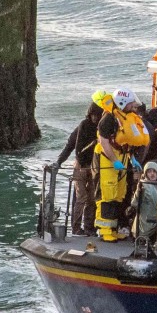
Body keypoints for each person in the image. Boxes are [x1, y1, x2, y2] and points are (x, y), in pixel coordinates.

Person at [92, 88, 151, 242]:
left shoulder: (125, 117)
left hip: (122, 156)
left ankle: (113, 227)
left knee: (119, 193)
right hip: (107, 157)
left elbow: (125, 141)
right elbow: (104, 142)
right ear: (122, 102)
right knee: (107, 192)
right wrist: (114, 161)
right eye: (131, 103)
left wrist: (132, 159)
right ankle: (104, 229)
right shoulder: (109, 119)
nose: (133, 106)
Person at [55, 100, 103, 236]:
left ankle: (88, 227)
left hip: (92, 166)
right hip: (83, 165)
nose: (95, 117)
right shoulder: (85, 126)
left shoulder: (97, 128)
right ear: (89, 114)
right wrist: (60, 161)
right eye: (93, 114)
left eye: (97, 115)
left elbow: (70, 147)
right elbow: (74, 147)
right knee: (81, 197)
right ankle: (77, 228)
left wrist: (60, 161)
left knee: (91, 199)